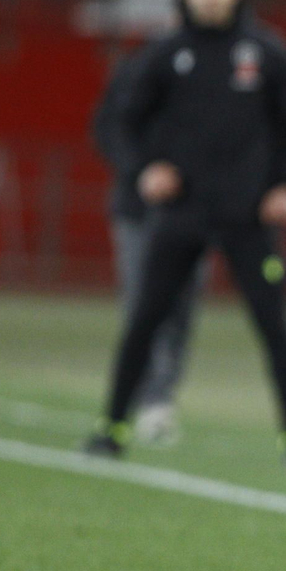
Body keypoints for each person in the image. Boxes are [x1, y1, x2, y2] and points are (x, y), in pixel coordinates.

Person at [83, 0, 286, 473]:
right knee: (144, 320)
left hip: (248, 219)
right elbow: (119, 121)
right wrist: (143, 169)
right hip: (181, 215)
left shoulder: (267, 52)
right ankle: (112, 427)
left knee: (274, 327)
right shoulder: (163, 53)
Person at [91, 51, 209, 448]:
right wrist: (141, 170)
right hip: (138, 209)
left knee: (182, 307)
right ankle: (144, 398)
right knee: (143, 305)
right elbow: (109, 126)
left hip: (195, 212)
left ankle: (160, 398)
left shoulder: (219, 72)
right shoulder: (138, 67)